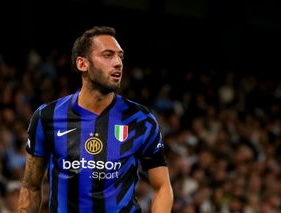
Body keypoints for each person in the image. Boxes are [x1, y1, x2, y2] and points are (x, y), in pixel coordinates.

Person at [18, 26, 173, 213]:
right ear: (82, 64)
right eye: (108, 55)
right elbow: (31, 187)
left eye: (120, 56)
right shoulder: (47, 117)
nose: (118, 63)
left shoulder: (141, 120)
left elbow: (163, 187)